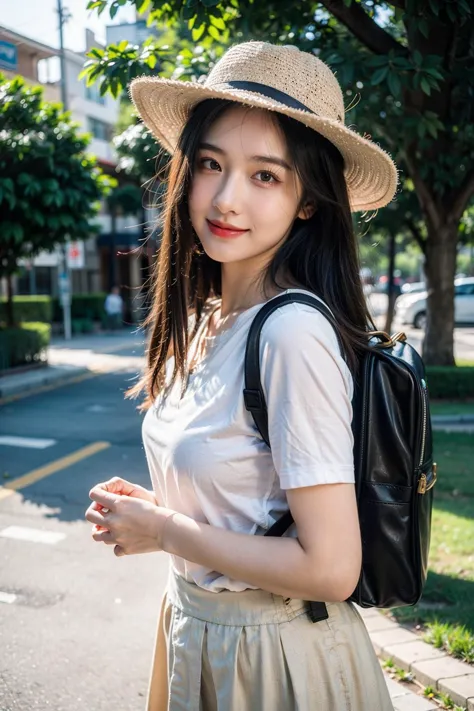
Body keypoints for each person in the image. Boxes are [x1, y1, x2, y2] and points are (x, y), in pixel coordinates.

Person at [85, 41, 398, 710]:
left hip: (273, 663)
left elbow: (332, 567)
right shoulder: (206, 318)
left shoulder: (291, 332)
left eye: (265, 175)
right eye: (209, 164)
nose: (225, 198)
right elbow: (254, 501)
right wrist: (161, 510)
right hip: (203, 636)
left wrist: (166, 531)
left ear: (308, 200)